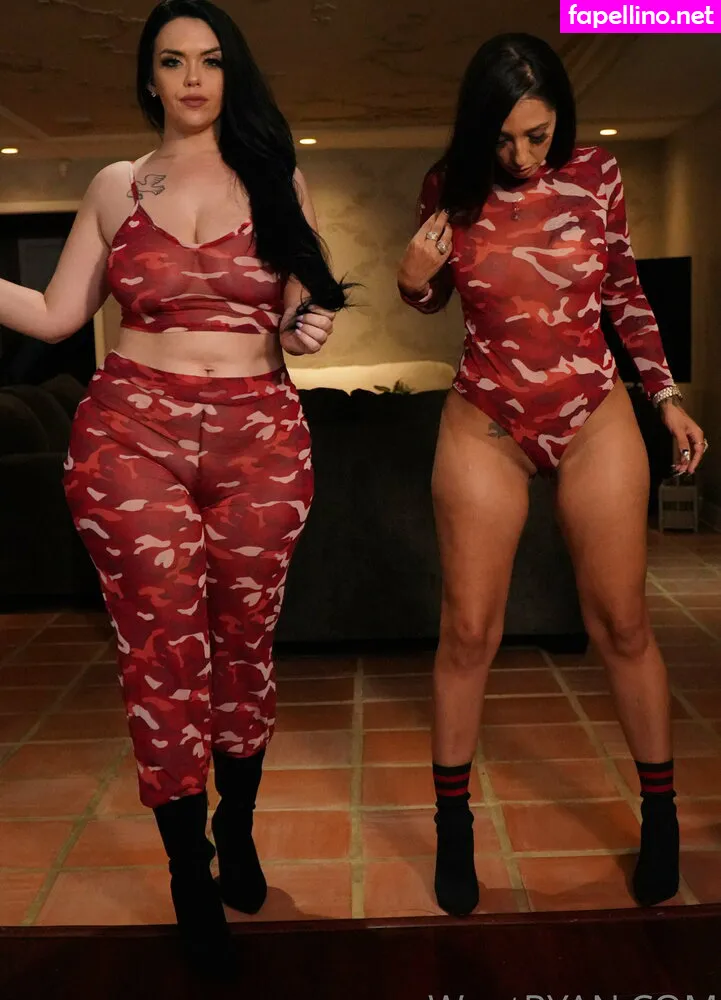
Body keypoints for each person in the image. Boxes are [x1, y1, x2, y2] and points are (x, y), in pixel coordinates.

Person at [0, 0, 350, 972]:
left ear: (231, 74)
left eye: (210, 59)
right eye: (171, 60)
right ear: (148, 78)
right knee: (163, 654)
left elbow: (305, 315)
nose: (192, 77)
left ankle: (235, 827)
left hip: (259, 436)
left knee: (245, 648)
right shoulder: (116, 185)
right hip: (131, 434)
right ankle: (187, 872)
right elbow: (58, 312)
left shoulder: (277, 179)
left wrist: (312, 319)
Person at [398, 32, 707, 918]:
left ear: (560, 120)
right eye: (502, 139)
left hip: (592, 412)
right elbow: (429, 295)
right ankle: (453, 829)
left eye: (536, 135)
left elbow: (623, 293)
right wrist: (411, 279)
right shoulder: (447, 186)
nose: (522, 155)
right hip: (486, 420)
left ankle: (659, 818)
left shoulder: (596, 174)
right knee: (467, 631)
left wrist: (665, 397)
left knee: (622, 622)